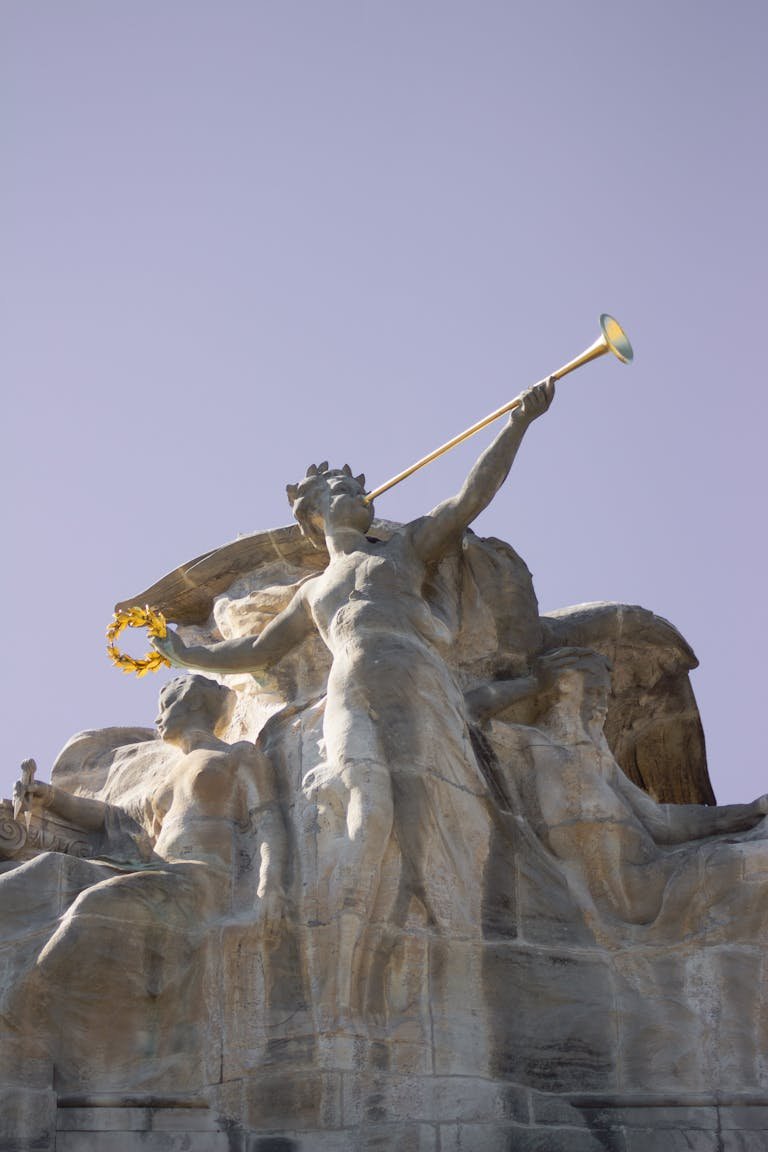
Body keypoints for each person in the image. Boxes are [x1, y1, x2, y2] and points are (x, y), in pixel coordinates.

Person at [152, 379, 555, 1012]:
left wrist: (518, 424)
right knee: (363, 813)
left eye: (358, 488)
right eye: (340, 490)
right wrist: (187, 655)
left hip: (418, 685)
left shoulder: (403, 551)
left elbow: (469, 497)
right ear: (315, 516)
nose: (358, 495)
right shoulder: (314, 591)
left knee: (432, 822)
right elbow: (255, 653)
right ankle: (343, 965)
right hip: (351, 692)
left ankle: (450, 955)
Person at [2, 674, 286, 1091]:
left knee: (94, 905)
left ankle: (21, 1014)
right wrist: (51, 798)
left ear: (194, 707)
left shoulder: (237, 756)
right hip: (157, 871)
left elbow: (268, 822)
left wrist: (270, 887)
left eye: (166, 704)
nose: (157, 716)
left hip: (200, 879)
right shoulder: (171, 774)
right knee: (50, 872)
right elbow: (115, 819)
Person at [469, 647, 768, 928]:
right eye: (595, 692)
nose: (603, 706)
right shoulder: (526, 744)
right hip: (627, 897)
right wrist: (534, 683)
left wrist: (748, 812)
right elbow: (466, 713)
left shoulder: (600, 762)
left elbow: (661, 821)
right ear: (561, 690)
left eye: (606, 695)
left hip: (655, 874)